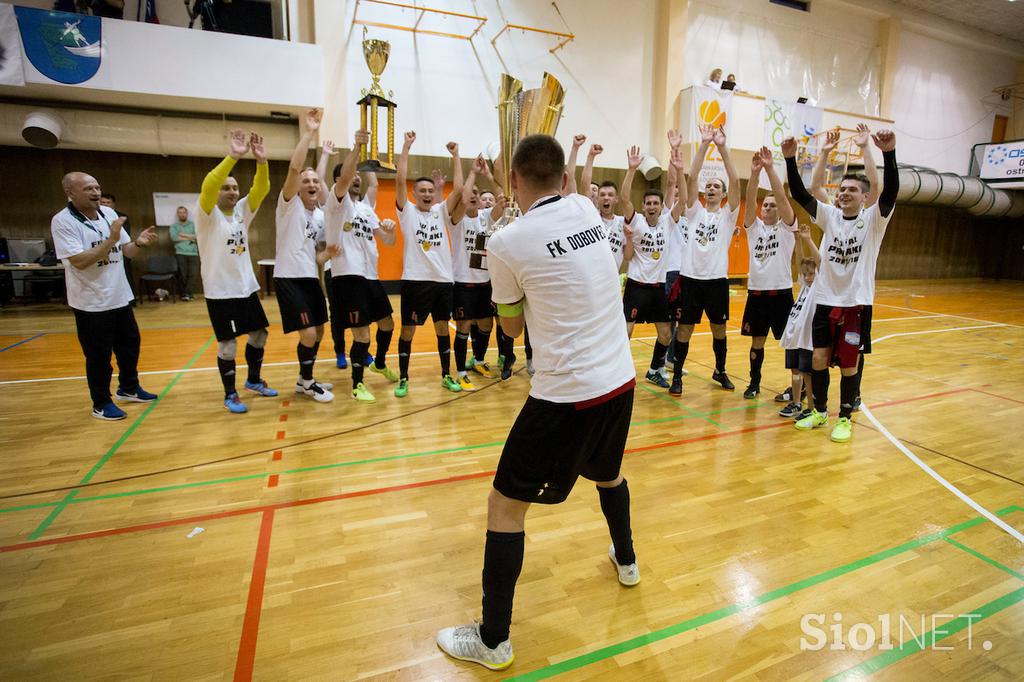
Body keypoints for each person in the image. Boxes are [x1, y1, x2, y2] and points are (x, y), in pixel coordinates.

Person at [436, 134, 638, 671]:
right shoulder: (584, 206)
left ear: (515, 181)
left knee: (505, 506)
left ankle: (494, 639)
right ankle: (627, 558)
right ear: (567, 180)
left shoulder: (506, 241)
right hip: (620, 380)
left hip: (564, 396)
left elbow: (510, 324)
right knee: (608, 473)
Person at [783, 125, 898, 442]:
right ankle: (819, 411)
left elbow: (889, 192)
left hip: (856, 304)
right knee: (818, 359)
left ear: (864, 197)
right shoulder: (829, 215)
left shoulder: (874, 220)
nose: (845, 192)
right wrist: (791, 160)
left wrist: (888, 153)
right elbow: (801, 194)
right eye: (842, 189)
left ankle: (844, 417)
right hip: (824, 300)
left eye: (852, 190)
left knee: (849, 364)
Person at [52, 173, 158, 420]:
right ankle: (101, 403)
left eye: (97, 187)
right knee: (99, 357)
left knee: (130, 346)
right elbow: (79, 262)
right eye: (88, 188)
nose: (95, 192)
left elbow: (126, 252)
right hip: (91, 302)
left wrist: (139, 243)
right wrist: (111, 239)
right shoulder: (63, 221)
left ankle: (129, 388)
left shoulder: (109, 214)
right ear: (70, 192)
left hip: (119, 295)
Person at [195, 129, 277, 414]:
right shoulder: (206, 214)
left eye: (234, 188)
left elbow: (261, 189)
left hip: (246, 289)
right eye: (226, 187)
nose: (232, 191)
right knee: (228, 345)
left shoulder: (243, 210)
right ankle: (230, 394)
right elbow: (209, 183)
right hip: (221, 291)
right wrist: (233, 156)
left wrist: (262, 163)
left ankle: (253, 381)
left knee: (260, 335)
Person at [323, 129, 401, 402]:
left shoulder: (366, 209)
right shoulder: (336, 203)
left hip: (370, 276)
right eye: (352, 175)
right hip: (347, 276)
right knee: (362, 334)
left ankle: (379, 362)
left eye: (359, 176)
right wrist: (357, 148)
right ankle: (357, 384)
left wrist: (390, 229)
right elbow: (346, 176)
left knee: (388, 324)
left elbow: (388, 242)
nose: (356, 178)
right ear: (338, 181)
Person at [670, 123, 743, 396]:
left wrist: (722, 147)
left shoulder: (727, 215)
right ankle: (677, 376)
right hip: (690, 280)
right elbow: (691, 179)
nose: (711, 188)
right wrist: (703, 143)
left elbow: (736, 182)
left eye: (716, 186)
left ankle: (720, 370)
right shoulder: (694, 211)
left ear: (723, 194)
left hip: (716, 282)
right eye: (708, 186)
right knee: (685, 330)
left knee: (719, 330)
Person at [394, 131, 464, 396]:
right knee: (408, 331)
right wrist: (406, 146)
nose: (426, 193)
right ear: (414, 194)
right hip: (415, 281)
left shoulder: (440, 212)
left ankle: (446, 375)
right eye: (421, 190)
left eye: (430, 190)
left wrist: (456, 156)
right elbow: (400, 179)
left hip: (443, 281)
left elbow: (458, 190)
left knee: (442, 328)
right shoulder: (408, 212)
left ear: (435, 194)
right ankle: (403, 378)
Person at [274, 108, 334, 403]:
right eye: (306, 181)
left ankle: (303, 378)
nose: (311, 184)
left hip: (310, 277)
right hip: (289, 278)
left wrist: (328, 254)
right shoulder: (289, 206)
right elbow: (294, 169)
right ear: (297, 186)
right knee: (308, 334)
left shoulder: (319, 216)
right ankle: (309, 383)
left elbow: (318, 257)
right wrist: (310, 132)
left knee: (319, 331)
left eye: (315, 182)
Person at [620, 145, 686, 390]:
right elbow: (624, 199)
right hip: (637, 286)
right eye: (647, 203)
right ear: (644, 205)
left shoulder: (669, 223)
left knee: (666, 335)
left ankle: (654, 370)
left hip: (658, 288)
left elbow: (684, 200)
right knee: (625, 332)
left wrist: (678, 170)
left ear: (660, 206)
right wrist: (631, 169)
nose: (651, 206)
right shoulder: (635, 220)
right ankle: (620, 371)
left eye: (655, 203)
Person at [740, 146, 797, 398]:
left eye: (773, 205)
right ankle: (754, 382)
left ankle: (798, 386)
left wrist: (771, 169)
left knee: (791, 343)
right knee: (756, 342)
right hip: (757, 295)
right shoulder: (754, 229)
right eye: (766, 205)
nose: (769, 208)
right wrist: (754, 173)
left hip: (781, 294)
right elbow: (750, 200)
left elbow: (784, 200)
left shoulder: (787, 231)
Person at [449, 155, 505, 390]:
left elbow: (503, 198)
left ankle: (479, 361)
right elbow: (462, 195)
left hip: (485, 283)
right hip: (463, 284)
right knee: (463, 327)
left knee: (486, 325)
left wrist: (489, 176)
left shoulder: (486, 218)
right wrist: (471, 172)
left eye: (475, 195)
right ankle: (461, 372)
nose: (472, 198)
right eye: (469, 195)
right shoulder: (457, 220)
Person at [778, 225, 820, 419]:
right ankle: (796, 402)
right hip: (794, 336)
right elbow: (800, 262)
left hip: (806, 339)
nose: (807, 276)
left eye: (811, 273)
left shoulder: (818, 287)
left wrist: (809, 240)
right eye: (805, 274)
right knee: (795, 371)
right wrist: (797, 241)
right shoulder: (804, 285)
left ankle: (811, 407)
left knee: (807, 373)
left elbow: (819, 264)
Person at [99, 193, 136, 304]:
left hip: (120, 251)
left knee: (126, 275)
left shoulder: (120, 216)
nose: (105, 205)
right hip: (101, 252)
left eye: (108, 202)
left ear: (113, 204)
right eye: (103, 202)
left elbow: (124, 238)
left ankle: (130, 300)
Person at [169, 206, 200, 301]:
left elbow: (198, 237)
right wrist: (191, 237)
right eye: (180, 212)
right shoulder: (174, 226)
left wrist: (182, 235)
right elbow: (174, 238)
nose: (182, 214)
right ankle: (185, 294)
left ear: (187, 214)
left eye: (184, 212)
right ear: (178, 214)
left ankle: (188, 293)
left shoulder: (193, 225)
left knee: (193, 274)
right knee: (182, 274)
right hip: (180, 253)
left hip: (193, 253)